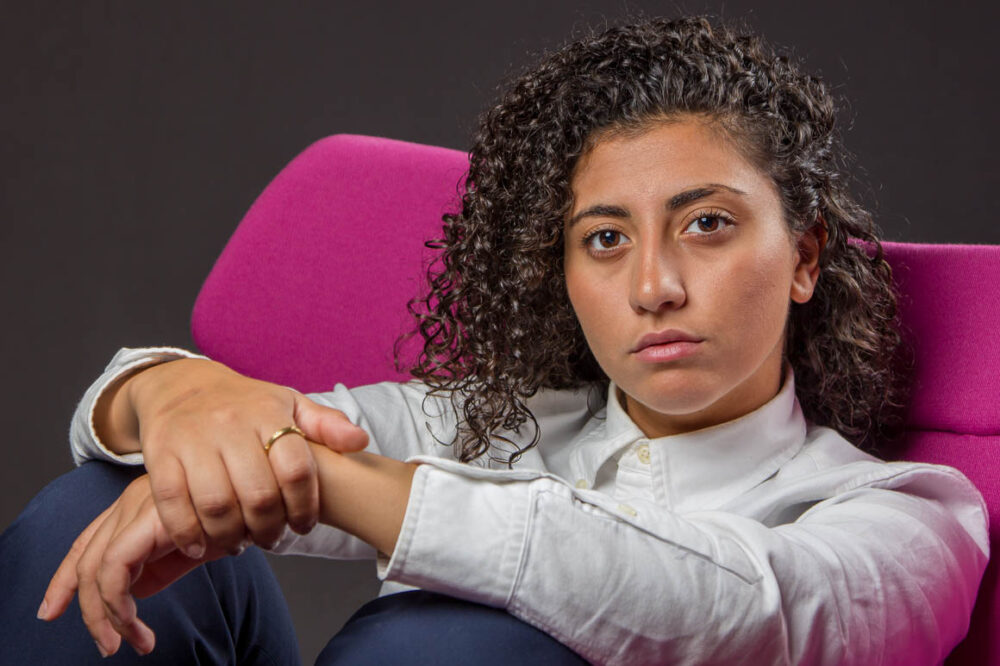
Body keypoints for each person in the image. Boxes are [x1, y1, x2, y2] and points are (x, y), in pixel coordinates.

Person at [1, 13, 989, 665]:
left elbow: (724, 606)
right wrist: (177, 397)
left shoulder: (907, 515)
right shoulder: (501, 425)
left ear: (804, 256)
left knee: (452, 643)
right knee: (103, 505)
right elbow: (200, 433)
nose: (655, 286)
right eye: (606, 240)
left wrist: (344, 485)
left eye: (707, 224)